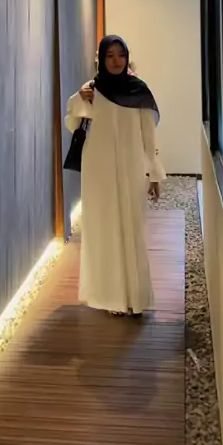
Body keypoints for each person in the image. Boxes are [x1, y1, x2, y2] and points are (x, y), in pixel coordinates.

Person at [65, 35, 166, 317]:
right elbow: (72, 123)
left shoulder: (139, 91)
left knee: (132, 227)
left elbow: (149, 135)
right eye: (109, 55)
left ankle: (135, 296)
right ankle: (111, 298)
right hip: (98, 168)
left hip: (131, 166)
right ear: (101, 58)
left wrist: (154, 173)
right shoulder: (92, 90)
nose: (116, 61)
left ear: (127, 57)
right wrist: (79, 97)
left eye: (120, 54)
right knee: (105, 228)